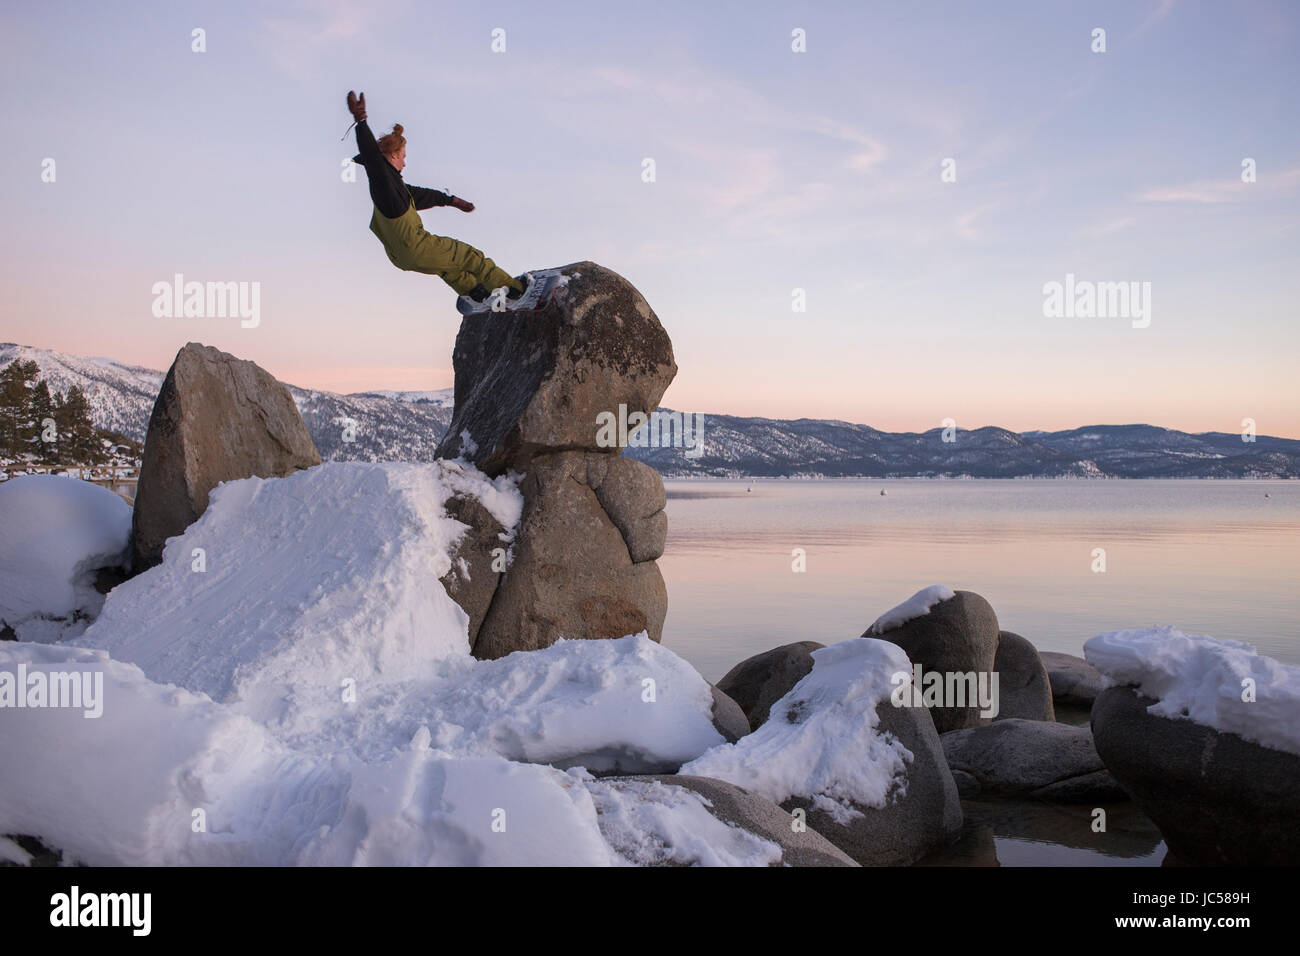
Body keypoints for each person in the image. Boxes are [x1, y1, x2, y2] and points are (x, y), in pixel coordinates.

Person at [345, 91, 526, 304]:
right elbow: (372, 158)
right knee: (470, 257)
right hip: (416, 247)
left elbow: (421, 195)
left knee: (447, 266)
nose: (405, 163)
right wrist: (361, 120)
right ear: (393, 155)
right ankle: (516, 292)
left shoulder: (395, 190)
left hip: (400, 257)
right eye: (403, 157)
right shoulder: (384, 182)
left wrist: (452, 201)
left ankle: (478, 294)